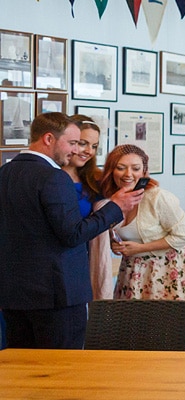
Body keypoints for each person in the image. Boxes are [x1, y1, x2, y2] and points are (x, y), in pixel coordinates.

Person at [0, 113, 140, 361]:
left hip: (14, 295)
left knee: (21, 372)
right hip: (57, 296)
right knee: (64, 371)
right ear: (49, 139)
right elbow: (73, 234)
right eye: (73, 143)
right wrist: (115, 206)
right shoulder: (54, 178)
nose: (77, 150)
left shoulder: (5, 173)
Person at [101, 144, 185, 351]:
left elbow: (182, 236)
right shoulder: (109, 200)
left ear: (144, 171)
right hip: (135, 273)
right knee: (141, 336)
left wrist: (139, 249)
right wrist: (114, 244)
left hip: (172, 269)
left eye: (135, 168)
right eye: (121, 167)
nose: (128, 174)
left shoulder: (157, 197)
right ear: (110, 170)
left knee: (177, 334)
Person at [61, 114, 113, 300]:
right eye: (83, 143)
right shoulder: (50, 177)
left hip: (86, 261)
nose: (89, 151)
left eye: (94, 146)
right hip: (58, 263)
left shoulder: (95, 179)